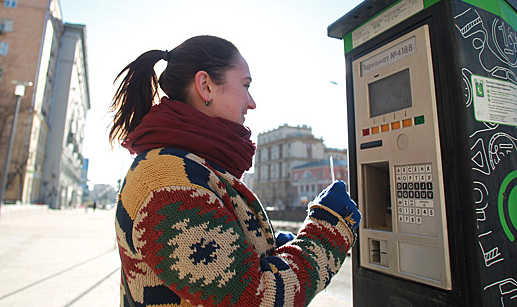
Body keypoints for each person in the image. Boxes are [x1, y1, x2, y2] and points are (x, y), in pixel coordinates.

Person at [109, 35, 361, 307]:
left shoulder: (186, 164)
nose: (251, 102)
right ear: (205, 86)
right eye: (245, 85)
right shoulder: (168, 185)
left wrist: (268, 249)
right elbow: (257, 299)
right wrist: (328, 229)